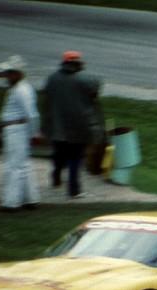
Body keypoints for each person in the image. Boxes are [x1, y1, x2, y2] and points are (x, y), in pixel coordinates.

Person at [42, 50, 103, 198]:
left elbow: (47, 97)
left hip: (58, 126)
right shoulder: (87, 79)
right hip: (79, 127)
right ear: (79, 63)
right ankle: (73, 189)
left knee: (58, 153)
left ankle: (56, 175)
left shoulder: (52, 78)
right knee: (76, 157)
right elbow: (95, 92)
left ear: (64, 63)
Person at [0, 54, 40, 212]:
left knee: (13, 166)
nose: (5, 76)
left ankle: (11, 203)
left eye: (8, 73)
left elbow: (32, 114)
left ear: (16, 73)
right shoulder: (20, 88)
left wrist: (34, 133)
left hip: (16, 130)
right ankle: (30, 199)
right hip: (17, 129)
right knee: (23, 164)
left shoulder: (21, 90)